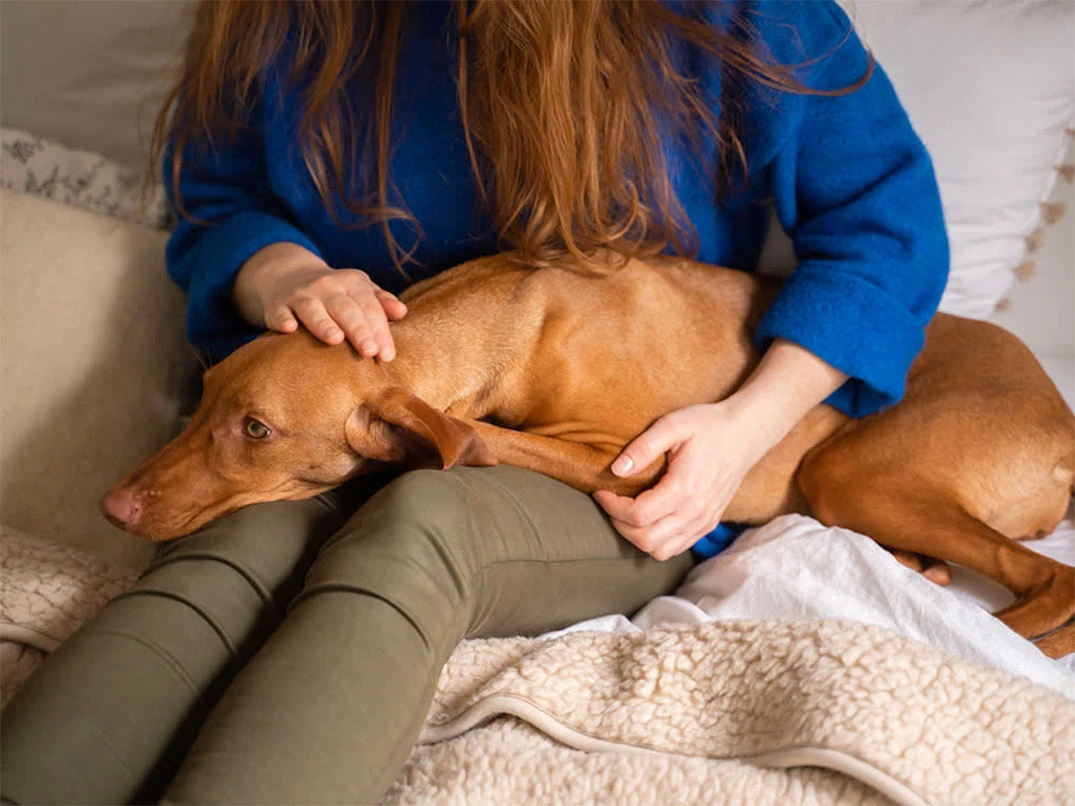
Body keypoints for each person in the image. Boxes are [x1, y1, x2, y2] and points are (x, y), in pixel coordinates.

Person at [0, 1, 948, 803]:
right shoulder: (294, 16)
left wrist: (742, 430)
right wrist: (281, 271)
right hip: (327, 407)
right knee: (227, 549)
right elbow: (217, 192)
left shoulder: (748, 17)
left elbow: (887, 231)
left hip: (603, 458)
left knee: (423, 526)